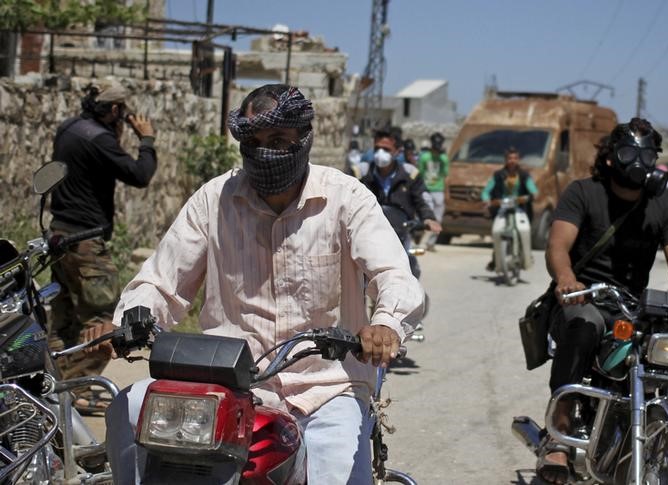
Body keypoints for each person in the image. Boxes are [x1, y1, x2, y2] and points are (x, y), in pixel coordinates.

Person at [104, 84, 424, 485]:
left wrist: (385, 324)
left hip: (325, 388)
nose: (264, 152)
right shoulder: (213, 199)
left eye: (277, 140)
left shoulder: (346, 198)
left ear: (305, 138)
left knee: (341, 474)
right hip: (227, 385)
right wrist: (134, 316)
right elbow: (161, 281)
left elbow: (393, 274)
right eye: (253, 142)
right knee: (130, 408)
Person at [540, 118, 668, 484]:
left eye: (647, 154)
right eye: (627, 153)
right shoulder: (583, 192)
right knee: (583, 324)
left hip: (634, 306)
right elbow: (558, 245)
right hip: (587, 296)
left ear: (656, 159)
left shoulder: (662, 202)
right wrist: (566, 278)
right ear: (610, 158)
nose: (637, 162)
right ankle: (557, 434)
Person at [49, 81, 156, 415]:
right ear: (113, 110)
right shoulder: (101, 139)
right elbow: (140, 175)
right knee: (105, 318)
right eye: (121, 112)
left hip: (59, 236)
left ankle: (55, 386)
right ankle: (77, 391)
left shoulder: (70, 128)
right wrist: (147, 140)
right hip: (86, 242)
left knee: (63, 318)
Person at [358, 130, 442, 278]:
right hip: (367, 236)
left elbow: (421, 198)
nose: (380, 153)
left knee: (411, 272)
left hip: (400, 234)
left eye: (386, 149)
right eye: (377, 149)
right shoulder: (361, 173)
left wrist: (428, 218)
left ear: (397, 151)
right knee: (355, 277)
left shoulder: (410, 174)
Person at [481, 147, 538, 272]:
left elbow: (533, 189)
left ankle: (527, 257)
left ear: (518, 159)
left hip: (520, 208)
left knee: (525, 229)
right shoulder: (498, 175)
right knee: (496, 231)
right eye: (509, 158)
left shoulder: (524, 175)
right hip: (502, 208)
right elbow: (486, 191)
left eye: (515, 158)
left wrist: (531, 195)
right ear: (505, 160)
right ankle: (496, 260)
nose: (512, 161)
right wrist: (486, 200)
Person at [417, 132, 449, 250]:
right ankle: (422, 242)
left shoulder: (444, 158)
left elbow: (446, 176)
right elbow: (420, 173)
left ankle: (431, 243)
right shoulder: (425, 157)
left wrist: (446, 192)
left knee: (438, 218)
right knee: (428, 216)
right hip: (427, 189)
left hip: (439, 190)